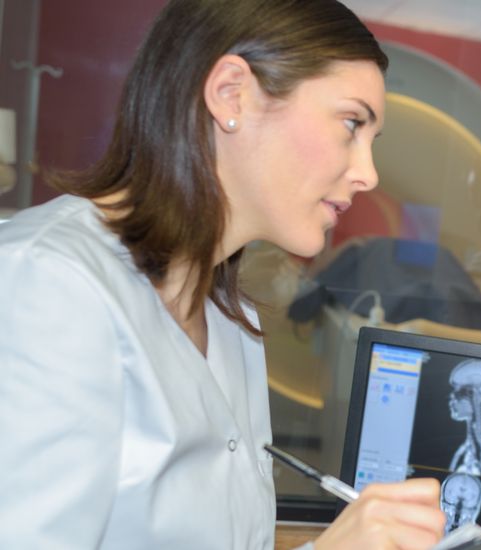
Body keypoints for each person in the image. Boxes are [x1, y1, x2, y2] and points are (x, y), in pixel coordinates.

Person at [0, 0, 445, 548]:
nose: (367, 175)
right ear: (232, 94)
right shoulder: (46, 283)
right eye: (351, 124)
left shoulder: (230, 320)